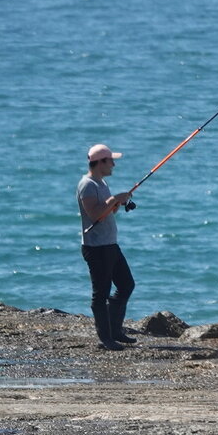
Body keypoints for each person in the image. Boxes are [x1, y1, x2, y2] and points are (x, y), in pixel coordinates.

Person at [77, 143, 136, 350]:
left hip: (110, 245)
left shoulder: (101, 184)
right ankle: (106, 338)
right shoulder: (87, 185)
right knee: (100, 294)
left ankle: (115, 330)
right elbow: (95, 215)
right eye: (111, 161)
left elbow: (107, 213)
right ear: (100, 162)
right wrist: (114, 200)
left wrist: (116, 204)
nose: (113, 165)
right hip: (96, 248)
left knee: (127, 285)